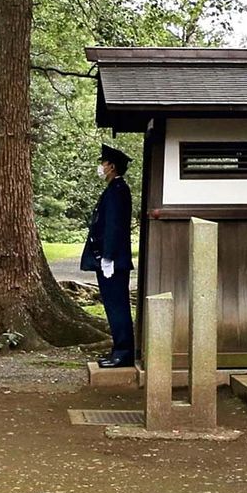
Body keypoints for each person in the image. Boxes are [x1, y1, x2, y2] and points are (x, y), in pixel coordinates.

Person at [80, 144, 135, 368]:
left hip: (112, 259)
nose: (100, 167)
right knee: (113, 306)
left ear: (111, 167)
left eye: (103, 163)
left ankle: (123, 352)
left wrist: (108, 256)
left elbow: (113, 226)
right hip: (108, 257)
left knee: (117, 306)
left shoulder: (117, 190)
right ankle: (118, 350)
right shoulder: (114, 188)